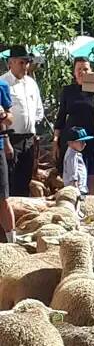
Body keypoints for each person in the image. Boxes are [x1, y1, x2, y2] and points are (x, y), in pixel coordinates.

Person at [54, 57, 94, 194]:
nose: (82, 72)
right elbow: (61, 116)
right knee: (72, 179)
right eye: (79, 69)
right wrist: (55, 140)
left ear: (91, 71)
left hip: (92, 138)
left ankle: (89, 204)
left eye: (85, 69)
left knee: (91, 183)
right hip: (72, 139)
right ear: (74, 72)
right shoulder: (68, 90)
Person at [1, 45, 44, 197]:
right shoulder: (3, 83)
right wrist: (6, 141)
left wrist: (33, 131)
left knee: (25, 180)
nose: (25, 66)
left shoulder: (31, 83)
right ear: (11, 62)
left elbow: (38, 110)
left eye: (27, 62)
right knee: (9, 180)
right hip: (11, 138)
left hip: (29, 139)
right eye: (21, 62)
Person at [0, 78, 16, 244]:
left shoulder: (2, 86)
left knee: (2, 197)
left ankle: (12, 243)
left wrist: (3, 115)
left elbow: (10, 119)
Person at [62, 126, 94, 191]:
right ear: (70, 143)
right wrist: (75, 189)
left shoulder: (75, 153)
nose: (84, 144)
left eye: (84, 141)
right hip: (76, 189)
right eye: (81, 142)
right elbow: (73, 173)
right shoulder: (71, 155)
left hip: (81, 188)